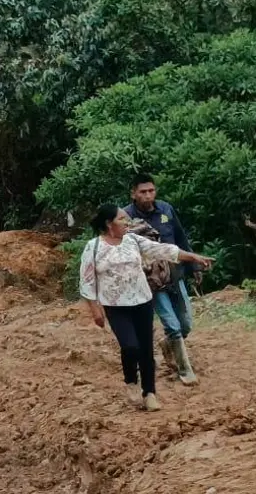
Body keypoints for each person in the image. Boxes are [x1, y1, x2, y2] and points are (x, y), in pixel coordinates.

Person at [80, 204, 213, 411]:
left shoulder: (133, 240)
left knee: (146, 349)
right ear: (109, 223)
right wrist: (95, 310)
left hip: (142, 301)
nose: (127, 222)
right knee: (130, 346)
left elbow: (164, 250)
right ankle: (131, 380)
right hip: (115, 305)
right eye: (122, 219)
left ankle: (149, 393)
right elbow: (87, 280)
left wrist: (193, 257)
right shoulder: (94, 247)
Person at [124, 174, 201, 386]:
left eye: (151, 190)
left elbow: (180, 237)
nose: (148, 195)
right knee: (172, 325)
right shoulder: (126, 217)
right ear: (133, 193)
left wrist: (193, 266)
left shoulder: (166, 209)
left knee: (186, 324)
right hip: (151, 281)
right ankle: (185, 370)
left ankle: (168, 345)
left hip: (175, 274)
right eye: (143, 192)